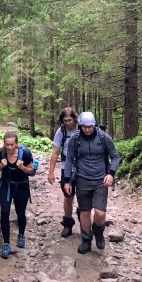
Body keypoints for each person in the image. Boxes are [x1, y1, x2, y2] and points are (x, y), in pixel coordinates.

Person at [62, 111, 120, 254]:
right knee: (85, 211)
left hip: (101, 180)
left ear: (94, 125)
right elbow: (69, 160)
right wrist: (67, 181)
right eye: (84, 127)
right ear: (80, 125)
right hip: (82, 179)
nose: (87, 129)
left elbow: (115, 157)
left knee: (100, 213)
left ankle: (98, 232)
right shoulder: (75, 139)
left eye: (90, 127)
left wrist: (111, 174)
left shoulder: (103, 138)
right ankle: (86, 239)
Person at [0, 130, 34, 259]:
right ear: (4, 144)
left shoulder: (25, 153)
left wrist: (22, 167)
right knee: (5, 212)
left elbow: (31, 170)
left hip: (21, 185)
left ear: (16, 143)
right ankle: (6, 243)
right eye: (7, 145)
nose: (9, 147)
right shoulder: (0, 153)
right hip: (6, 185)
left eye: (12, 145)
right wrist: (1, 165)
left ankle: (21, 234)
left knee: (20, 212)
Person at [47, 107, 79, 237]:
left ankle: (85, 223)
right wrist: (51, 171)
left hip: (82, 168)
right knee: (68, 196)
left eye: (69, 120)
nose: (67, 123)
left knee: (84, 198)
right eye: (65, 120)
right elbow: (55, 152)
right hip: (67, 168)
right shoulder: (61, 132)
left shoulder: (83, 128)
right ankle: (67, 223)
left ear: (75, 119)